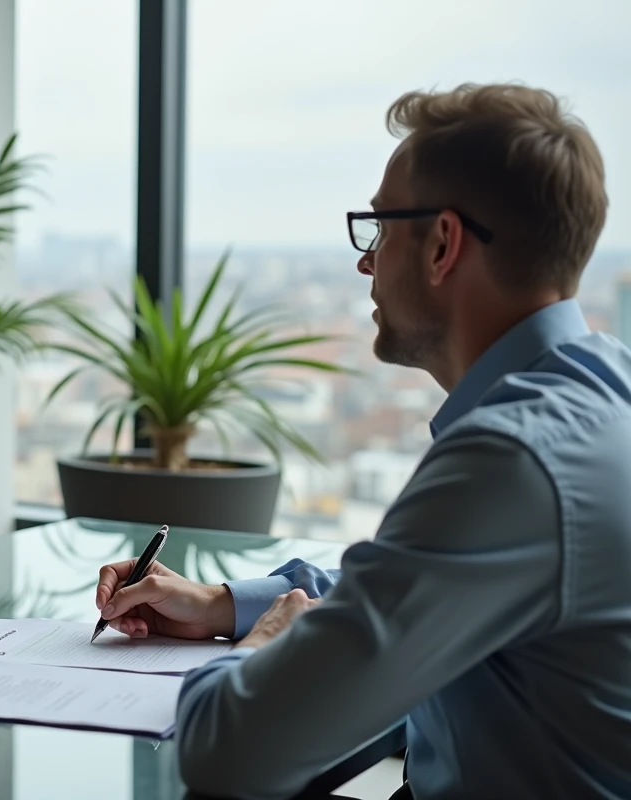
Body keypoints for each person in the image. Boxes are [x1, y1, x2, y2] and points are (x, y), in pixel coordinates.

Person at [94, 83, 631, 800]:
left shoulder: (513, 462)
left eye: (379, 228)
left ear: (443, 243)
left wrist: (255, 654)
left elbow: (230, 752)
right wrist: (226, 605)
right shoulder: (603, 392)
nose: (365, 262)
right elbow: (424, 585)